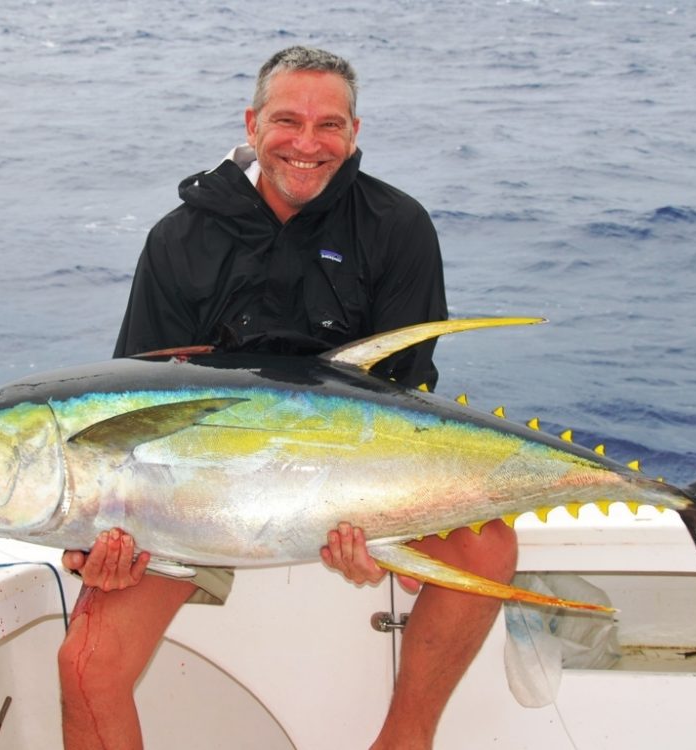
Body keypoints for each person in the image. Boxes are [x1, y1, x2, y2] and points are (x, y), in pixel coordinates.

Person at [57, 46, 518, 750]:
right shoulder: (179, 240)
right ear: (252, 123)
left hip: (353, 480)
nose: (307, 143)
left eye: (329, 125)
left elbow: (403, 397)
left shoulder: (398, 228)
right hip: (195, 494)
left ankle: (405, 739)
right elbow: (132, 411)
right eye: (287, 121)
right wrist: (93, 540)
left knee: (487, 550)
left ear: (354, 133)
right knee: (86, 666)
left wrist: (380, 525)